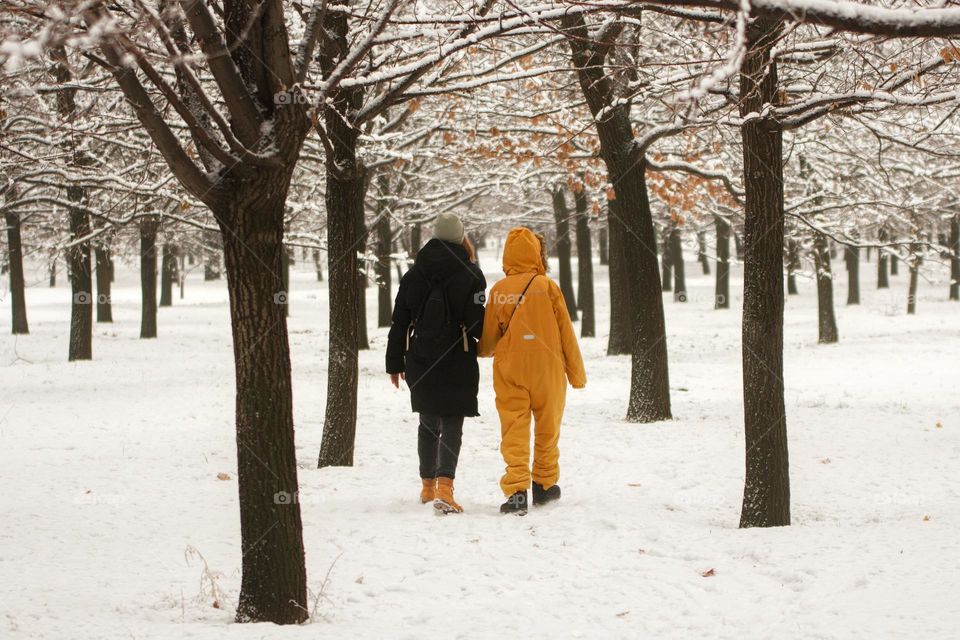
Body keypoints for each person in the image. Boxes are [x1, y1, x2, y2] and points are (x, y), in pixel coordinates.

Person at [479, 227, 586, 515]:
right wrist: (576, 374)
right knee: (548, 427)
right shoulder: (548, 287)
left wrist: (486, 349)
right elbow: (566, 333)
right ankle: (544, 485)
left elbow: (488, 340)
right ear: (536, 254)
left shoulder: (499, 291)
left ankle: (516, 490)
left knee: (513, 429)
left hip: (510, 370)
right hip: (548, 369)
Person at [386, 213, 486, 514]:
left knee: (428, 422)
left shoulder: (413, 274)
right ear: (461, 237)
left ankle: (427, 487)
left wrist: (394, 363)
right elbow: (477, 325)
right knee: (452, 421)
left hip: (420, 357)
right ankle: (445, 487)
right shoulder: (472, 275)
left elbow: (399, 322)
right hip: (458, 358)